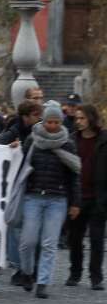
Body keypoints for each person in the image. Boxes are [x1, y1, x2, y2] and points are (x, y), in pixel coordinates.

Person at [17, 102, 81, 299]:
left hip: (57, 199)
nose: (52, 125)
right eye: (49, 122)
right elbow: (21, 165)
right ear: (43, 121)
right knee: (28, 241)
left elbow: (74, 176)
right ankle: (27, 272)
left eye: (56, 122)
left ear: (60, 122)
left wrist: (75, 202)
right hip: (33, 196)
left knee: (49, 243)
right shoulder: (32, 141)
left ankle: (43, 281)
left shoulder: (67, 143)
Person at [0, 100, 43, 284]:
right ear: (26, 117)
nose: (40, 119)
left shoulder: (42, 130)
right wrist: (10, 146)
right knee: (17, 228)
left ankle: (31, 268)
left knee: (34, 231)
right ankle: (20, 267)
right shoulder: (16, 129)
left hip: (37, 185)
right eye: (36, 115)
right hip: (20, 185)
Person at [65, 104, 106, 291]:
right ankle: (75, 273)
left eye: (82, 118)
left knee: (97, 239)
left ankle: (96, 277)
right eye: (77, 119)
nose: (78, 121)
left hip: (98, 196)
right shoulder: (72, 140)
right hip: (77, 197)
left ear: (91, 118)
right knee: (75, 238)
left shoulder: (104, 140)